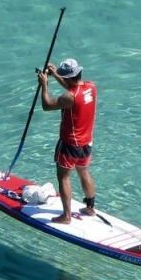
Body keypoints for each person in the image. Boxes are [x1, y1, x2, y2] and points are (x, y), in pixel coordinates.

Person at [36, 58, 98, 224]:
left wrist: (44, 85)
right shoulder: (91, 87)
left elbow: (47, 105)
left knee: (63, 177)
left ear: (69, 77)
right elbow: (73, 86)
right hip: (86, 142)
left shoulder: (69, 97)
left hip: (70, 144)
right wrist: (55, 74)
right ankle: (90, 208)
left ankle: (66, 216)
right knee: (84, 171)